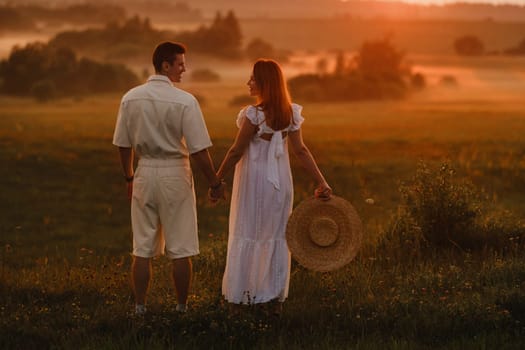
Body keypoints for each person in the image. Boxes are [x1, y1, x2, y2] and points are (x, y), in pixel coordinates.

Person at [112, 41, 224, 315]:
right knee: (181, 246)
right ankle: (181, 307)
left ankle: (140, 307)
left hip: (144, 172)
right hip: (175, 172)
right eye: (180, 64)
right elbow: (198, 149)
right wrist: (214, 182)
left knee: (142, 246)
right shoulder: (185, 101)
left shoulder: (130, 97)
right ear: (165, 65)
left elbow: (123, 144)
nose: (184, 69)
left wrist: (129, 177)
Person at [214, 59, 332, 310]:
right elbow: (301, 151)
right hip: (280, 184)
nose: (248, 83)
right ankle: (273, 299)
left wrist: (217, 179)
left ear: (265, 83)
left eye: (253, 79)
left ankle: (244, 296)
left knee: (250, 231)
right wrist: (322, 181)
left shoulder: (253, 114)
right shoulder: (291, 113)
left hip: (254, 182)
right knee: (276, 236)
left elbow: (236, 151)